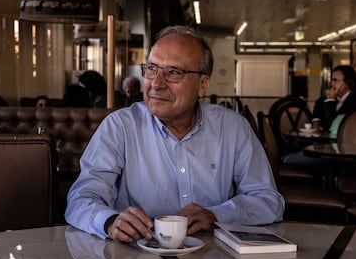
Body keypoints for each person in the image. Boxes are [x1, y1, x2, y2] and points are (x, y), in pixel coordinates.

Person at [65, 25, 284, 242]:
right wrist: (110, 221)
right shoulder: (120, 127)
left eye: (173, 72)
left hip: (212, 258)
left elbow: (268, 201)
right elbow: (81, 198)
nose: (157, 84)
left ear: (202, 84)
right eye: (152, 69)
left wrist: (216, 215)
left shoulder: (234, 129)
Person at [312, 65, 356, 131]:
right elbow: (319, 103)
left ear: (347, 83)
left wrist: (331, 100)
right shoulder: (329, 98)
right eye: (332, 80)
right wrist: (316, 121)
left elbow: (333, 127)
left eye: (335, 80)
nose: (332, 84)